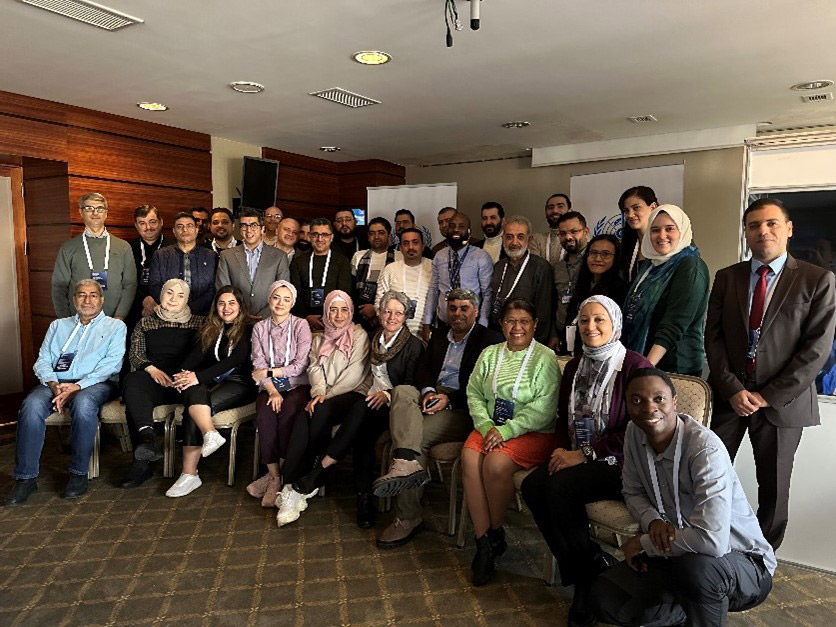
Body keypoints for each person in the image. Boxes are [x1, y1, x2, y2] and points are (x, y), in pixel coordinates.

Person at [591, 368, 776, 627]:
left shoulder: (704, 449)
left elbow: (713, 542)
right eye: (636, 400)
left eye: (659, 399)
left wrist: (645, 543)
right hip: (677, 553)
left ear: (674, 402)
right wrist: (653, 522)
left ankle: (694, 608)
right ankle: (681, 608)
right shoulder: (634, 432)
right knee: (605, 597)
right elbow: (633, 492)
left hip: (742, 562)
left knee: (698, 571)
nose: (648, 408)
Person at [706, 198, 836, 550]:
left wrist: (767, 396)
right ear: (746, 233)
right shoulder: (727, 277)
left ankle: (761, 559)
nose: (763, 231)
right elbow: (713, 339)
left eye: (771, 223)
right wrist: (732, 388)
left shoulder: (817, 280)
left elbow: (816, 351)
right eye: (754, 225)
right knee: (708, 474)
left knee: (774, 488)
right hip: (730, 397)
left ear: (788, 229)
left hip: (782, 403)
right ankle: (710, 544)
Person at [520, 296, 651, 626]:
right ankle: (591, 565)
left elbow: (642, 426)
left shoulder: (635, 366)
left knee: (561, 488)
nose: (590, 327)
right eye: (584, 321)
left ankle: (583, 587)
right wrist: (562, 452)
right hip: (581, 458)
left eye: (599, 320)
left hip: (623, 462)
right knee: (535, 483)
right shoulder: (575, 367)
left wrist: (584, 454)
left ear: (615, 325)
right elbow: (565, 419)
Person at [373, 288, 502, 548]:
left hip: (463, 408)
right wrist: (429, 391)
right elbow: (423, 369)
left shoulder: (489, 340)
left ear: (475, 311)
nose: (458, 314)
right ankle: (406, 462)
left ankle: (408, 517)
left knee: (414, 440)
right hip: (433, 397)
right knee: (401, 391)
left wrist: (450, 400)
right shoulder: (440, 336)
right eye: (453, 308)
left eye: (464, 308)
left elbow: (487, 390)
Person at [462, 298, 560, 586]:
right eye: (510, 321)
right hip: (490, 425)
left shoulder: (545, 358)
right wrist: (486, 425)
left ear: (535, 325)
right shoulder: (490, 353)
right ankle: (485, 542)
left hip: (533, 430)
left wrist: (507, 431)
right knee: (469, 457)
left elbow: (544, 407)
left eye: (524, 321)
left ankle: (494, 532)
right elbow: (474, 393)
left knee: (494, 463)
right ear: (501, 325)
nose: (517, 327)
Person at [6, 280, 126, 504]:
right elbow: (42, 361)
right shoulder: (58, 326)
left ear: (102, 300)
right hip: (56, 383)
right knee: (30, 406)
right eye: (81, 295)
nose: (87, 300)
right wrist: (54, 384)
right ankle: (25, 478)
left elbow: (111, 365)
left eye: (93, 295)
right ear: (74, 299)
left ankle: (78, 474)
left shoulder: (115, 327)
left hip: (95, 384)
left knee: (83, 405)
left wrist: (78, 386)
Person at [275, 291, 371, 526]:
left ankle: (311, 478)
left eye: (344, 310)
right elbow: (314, 369)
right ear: (326, 312)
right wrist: (318, 392)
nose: (338, 316)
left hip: (352, 394)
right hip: (324, 396)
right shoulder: (318, 339)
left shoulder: (359, 335)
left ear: (350, 311)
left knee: (319, 411)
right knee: (303, 416)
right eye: (333, 310)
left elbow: (354, 375)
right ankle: (291, 483)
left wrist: (324, 397)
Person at [165, 286, 258, 497]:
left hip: (240, 382)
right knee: (194, 396)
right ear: (215, 307)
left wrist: (196, 377)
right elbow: (194, 357)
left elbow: (236, 360)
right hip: (210, 380)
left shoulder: (249, 328)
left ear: (240, 306)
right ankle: (210, 435)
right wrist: (183, 375)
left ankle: (189, 473)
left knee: (196, 407)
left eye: (231, 303)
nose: (226, 308)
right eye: (221, 303)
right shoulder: (210, 328)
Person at [120, 279, 207, 488]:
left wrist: (184, 376)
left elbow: (206, 355)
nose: (174, 299)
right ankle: (146, 446)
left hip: (184, 382)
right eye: (169, 293)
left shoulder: (200, 323)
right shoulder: (145, 323)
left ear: (187, 299)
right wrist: (152, 369)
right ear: (161, 295)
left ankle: (188, 471)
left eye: (180, 295)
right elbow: (136, 355)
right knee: (132, 380)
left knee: (198, 391)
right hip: (156, 379)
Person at [350, 291, 424, 527]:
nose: (392, 317)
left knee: (362, 430)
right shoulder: (371, 338)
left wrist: (387, 395)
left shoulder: (414, 346)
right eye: (387, 311)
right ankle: (364, 498)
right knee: (359, 432)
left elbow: (412, 386)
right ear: (380, 314)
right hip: (369, 398)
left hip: (394, 406)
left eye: (398, 313)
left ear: (405, 317)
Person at [622, 205, 709, 375]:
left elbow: (674, 324)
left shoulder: (691, 266)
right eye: (655, 230)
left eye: (670, 229)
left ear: (682, 231)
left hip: (674, 368)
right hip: (644, 361)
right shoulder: (650, 266)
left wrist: (645, 366)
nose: (662, 236)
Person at [248, 280, 312, 507]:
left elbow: (300, 366)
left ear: (293, 303)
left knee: (288, 411)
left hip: (297, 384)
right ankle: (274, 476)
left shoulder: (301, 325)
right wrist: (273, 390)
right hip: (269, 386)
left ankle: (284, 472)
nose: (280, 303)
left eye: (286, 299)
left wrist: (270, 370)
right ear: (269, 299)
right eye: (276, 297)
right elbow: (258, 365)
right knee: (265, 414)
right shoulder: (259, 328)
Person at [52, 192, 137, 321]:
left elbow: (130, 285)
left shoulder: (123, 247)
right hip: (77, 321)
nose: (95, 213)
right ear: (81, 212)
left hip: (114, 321)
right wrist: (66, 320)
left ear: (106, 213)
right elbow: (59, 286)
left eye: (100, 208)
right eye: (89, 208)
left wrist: (120, 316)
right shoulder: (68, 247)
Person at [422, 212, 493, 341]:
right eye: (452, 226)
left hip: (470, 324)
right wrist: (427, 322)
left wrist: (482, 326)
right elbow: (433, 290)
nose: (456, 229)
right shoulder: (439, 256)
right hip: (444, 322)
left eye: (461, 226)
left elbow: (487, 293)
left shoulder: (481, 257)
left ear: (469, 231)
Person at [489, 215, 553, 344]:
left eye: (520, 237)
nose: (514, 242)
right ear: (503, 239)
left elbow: (544, 313)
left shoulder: (541, 268)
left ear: (529, 240)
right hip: (499, 338)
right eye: (509, 237)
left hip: (527, 340)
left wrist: (536, 344)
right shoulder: (499, 267)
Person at [215, 208, 290, 319]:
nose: (249, 230)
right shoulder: (227, 256)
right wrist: (241, 314)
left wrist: (265, 314)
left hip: (269, 318)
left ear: (262, 229)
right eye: (244, 226)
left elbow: (283, 290)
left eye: (254, 225)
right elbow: (223, 289)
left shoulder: (279, 256)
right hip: (236, 319)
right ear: (240, 230)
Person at [565, 234, 628, 352]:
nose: (598, 259)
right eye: (593, 253)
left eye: (605, 254)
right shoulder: (583, 283)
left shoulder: (620, 290)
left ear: (616, 258)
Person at [289, 218, 353, 331]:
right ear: (310, 236)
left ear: (331, 237)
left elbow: (344, 293)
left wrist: (327, 317)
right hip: (303, 321)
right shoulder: (299, 261)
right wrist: (306, 316)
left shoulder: (341, 261)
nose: (320, 239)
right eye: (315, 234)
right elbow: (295, 292)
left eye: (324, 235)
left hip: (333, 321)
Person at [149, 212, 217, 315]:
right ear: (174, 231)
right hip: (168, 314)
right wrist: (173, 307)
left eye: (189, 226)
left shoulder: (211, 256)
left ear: (197, 230)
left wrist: (191, 309)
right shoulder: (160, 255)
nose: (185, 230)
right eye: (180, 226)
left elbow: (213, 289)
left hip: (202, 315)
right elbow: (154, 286)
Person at [375, 228, 433, 337]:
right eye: (406, 244)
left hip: (426, 333)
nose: (411, 247)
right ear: (400, 248)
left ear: (423, 246)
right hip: (394, 335)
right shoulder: (390, 269)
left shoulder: (433, 267)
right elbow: (379, 302)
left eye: (415, 243)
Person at [351, 217, 401, 330]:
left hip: (390, 315)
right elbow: (353, 289)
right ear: (368, 237)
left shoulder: (400, 257)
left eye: (381, 233)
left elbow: (400, 291)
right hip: (361, 314)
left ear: (389, 236)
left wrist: (376, 309)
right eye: (372, 233)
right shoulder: (358, 256)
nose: (376, 237)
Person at [552, 211, 590, 354]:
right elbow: (554, 303)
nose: (568, 237)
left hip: (588, 335)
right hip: (562, 336)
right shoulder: (558, 267)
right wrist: (554, 334)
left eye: (574, 231)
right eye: (562, 233)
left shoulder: (595, 263)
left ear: (585, 231)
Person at [128, 205, 170, 329]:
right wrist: (144, 300)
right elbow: (124, 282)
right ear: (136, 225)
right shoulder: (127, 249)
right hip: (135, 308)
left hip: (166, 307)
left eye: (152, 222)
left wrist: (155, 300)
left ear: (161, 222)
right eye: (142, 223)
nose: (148, 228)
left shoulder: (173, 248)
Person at [618, 186, 658, 282]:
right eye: (626, 211)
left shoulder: (665, 243)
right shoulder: (627, 246)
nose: (630, 215)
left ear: (653, 207)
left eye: (636, 208)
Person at [530, 193, 571, 265]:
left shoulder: (576, 238)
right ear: (546, 213)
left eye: (560, 206)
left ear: (569, 210)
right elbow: (536, 269)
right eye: (550, 207)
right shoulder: (536, 239)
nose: (555, 210)